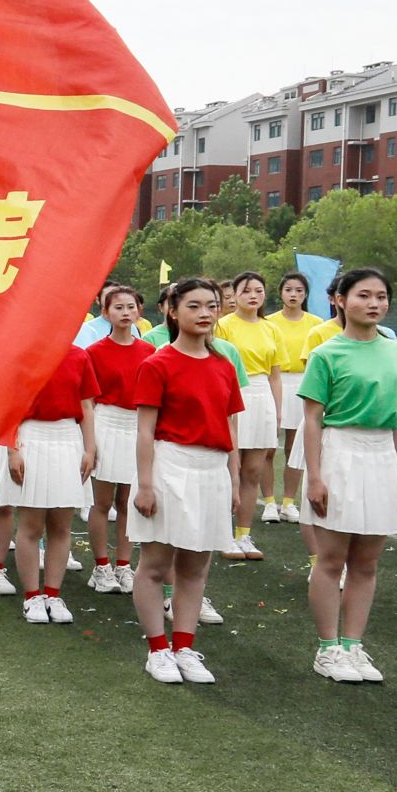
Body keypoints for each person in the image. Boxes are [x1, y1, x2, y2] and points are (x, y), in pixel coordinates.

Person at [127, 277, 242, 685]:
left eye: (211, 305)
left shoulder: (224, 365)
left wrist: (233, 479)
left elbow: (231, 427)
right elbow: (145, 431)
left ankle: (184, 647)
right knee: (156, 564)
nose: (205, 313)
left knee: (195, 566)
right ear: (173, 311)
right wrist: (145, 484)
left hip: (212, 470)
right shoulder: (157, 364)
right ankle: (158, 649)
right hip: (170, 466)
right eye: (194, 306)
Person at [299, 268, 397, 684]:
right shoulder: (327, 354)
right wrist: (315, 476)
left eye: (381, 296)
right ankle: (327, 648)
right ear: (341, 300)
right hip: (340, 452)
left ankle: (353, 645)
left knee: (367, 561)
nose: (374, 303)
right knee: (331, 560)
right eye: (364, 295)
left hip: (381, 456)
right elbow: (312, 420)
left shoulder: (395, 352)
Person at [0, 343, 97, 624]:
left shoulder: (79, 356)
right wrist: (13, 450)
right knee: (30, 525)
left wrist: (90, 449)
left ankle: (53, 594)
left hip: (67, 440)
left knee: (61, 526)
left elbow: (86, 407)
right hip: (31, 438)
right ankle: (32, 596)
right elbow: (10, 405)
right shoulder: (23, 354)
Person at [85, 285, 154, 595]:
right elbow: (87, 401)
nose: (126, 313)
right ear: (105, 312)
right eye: (118, 307)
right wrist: (90, 443)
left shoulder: (149, 352)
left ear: (139, 311)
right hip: (106, 423)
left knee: (128, 501)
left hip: (137, 426)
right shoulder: (94, 352)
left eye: (131, 307)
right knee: (101, 502)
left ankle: (124, 565)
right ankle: (101, 566)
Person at [214, 271, 283, 559]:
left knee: (253, 470)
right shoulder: (223, 326)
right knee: (229, 467)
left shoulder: (271, 329)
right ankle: (222, 534)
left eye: (258, 291)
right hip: (233, 394)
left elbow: (275, 375)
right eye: (246, 291)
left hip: (261, 396)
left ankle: (243, 534)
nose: (253, 296)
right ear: (235, 295)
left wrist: (277, 411)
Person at [265, 272, 316, 523]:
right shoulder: (268, 322)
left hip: (303, 382)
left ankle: (288, 502)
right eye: (288, 290)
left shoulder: (316, 324)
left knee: (295, 447)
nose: (293, 294)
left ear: (306, 294)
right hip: (274, 382)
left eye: (299, 290)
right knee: (267, 447)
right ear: (281, 293)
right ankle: (268, 502)